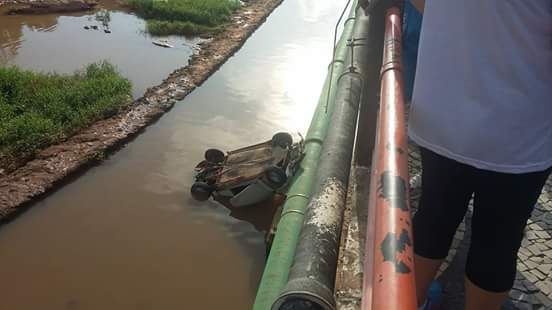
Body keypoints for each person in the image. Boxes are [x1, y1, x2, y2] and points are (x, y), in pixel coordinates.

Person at [409, 1, 552, 310]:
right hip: (518, 131)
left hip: (442, 112)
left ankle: (411, 302)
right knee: (498, 242)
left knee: (433, 218)